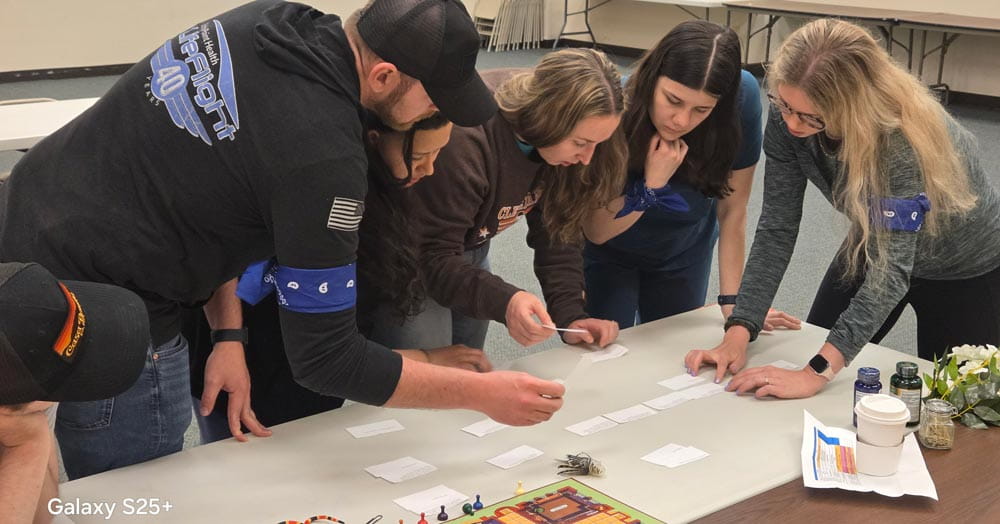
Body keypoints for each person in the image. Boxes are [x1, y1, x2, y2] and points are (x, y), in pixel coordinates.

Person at [0, 0, 563, 480]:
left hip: (29, 220)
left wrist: (226, 332)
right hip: (106, 300)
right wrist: (480, 394)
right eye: (434, 99)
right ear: (383, 76)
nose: (440, 112)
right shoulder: (324, 161)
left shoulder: (273, 21)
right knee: (136, 489)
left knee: (22, 446)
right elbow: (326, 359)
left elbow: (213, 189)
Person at [685, 18, 1000, 398]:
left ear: (852, 106)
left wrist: (814, 373)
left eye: (811, 116)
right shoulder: (790, 114)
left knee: (959, 400)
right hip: (874, 240)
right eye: (785, 106)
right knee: (819, 347)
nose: (792, 124)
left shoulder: (897, 140)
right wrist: (738, 331)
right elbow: (777, 228)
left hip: (963, 265)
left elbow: (891, 274)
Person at [184, 113, 492, 443]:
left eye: (438, 153)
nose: (429, 169)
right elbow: (322, 351)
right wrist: (227, 339)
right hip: (250, 352)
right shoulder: (317, 191)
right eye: (419, 156)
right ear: (375, 141)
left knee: (311, 436)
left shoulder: (389, 196)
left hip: (312, 376)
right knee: (235, 445)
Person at [370, 48, 625, 352]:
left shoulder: (564, 145)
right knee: (430, 363)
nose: (587, 158)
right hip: (409, 256)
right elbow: (433, 257)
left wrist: (571, 316)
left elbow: (558, 230)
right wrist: (506, 301)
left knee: (468, 358)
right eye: (581, 143)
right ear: (547, 119)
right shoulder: (465, 142)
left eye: (598, 143)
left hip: (468, 245)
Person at [582, 20, 800, 333]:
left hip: (685, 247)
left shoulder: (742, 98)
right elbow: (597, 231)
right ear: (652, 79)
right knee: (602, 345)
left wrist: (736, 304)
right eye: (673, 100)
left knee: (671, 347)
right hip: (611, 248)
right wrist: (651, 186)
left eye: (701, 110)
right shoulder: (616, 108)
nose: (681, 120)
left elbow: (733, 209)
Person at [0, 262, 149, 524]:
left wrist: (29, 434)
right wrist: (27, 444)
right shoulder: (19, 421)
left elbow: (43, 513)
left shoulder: (21, 414)